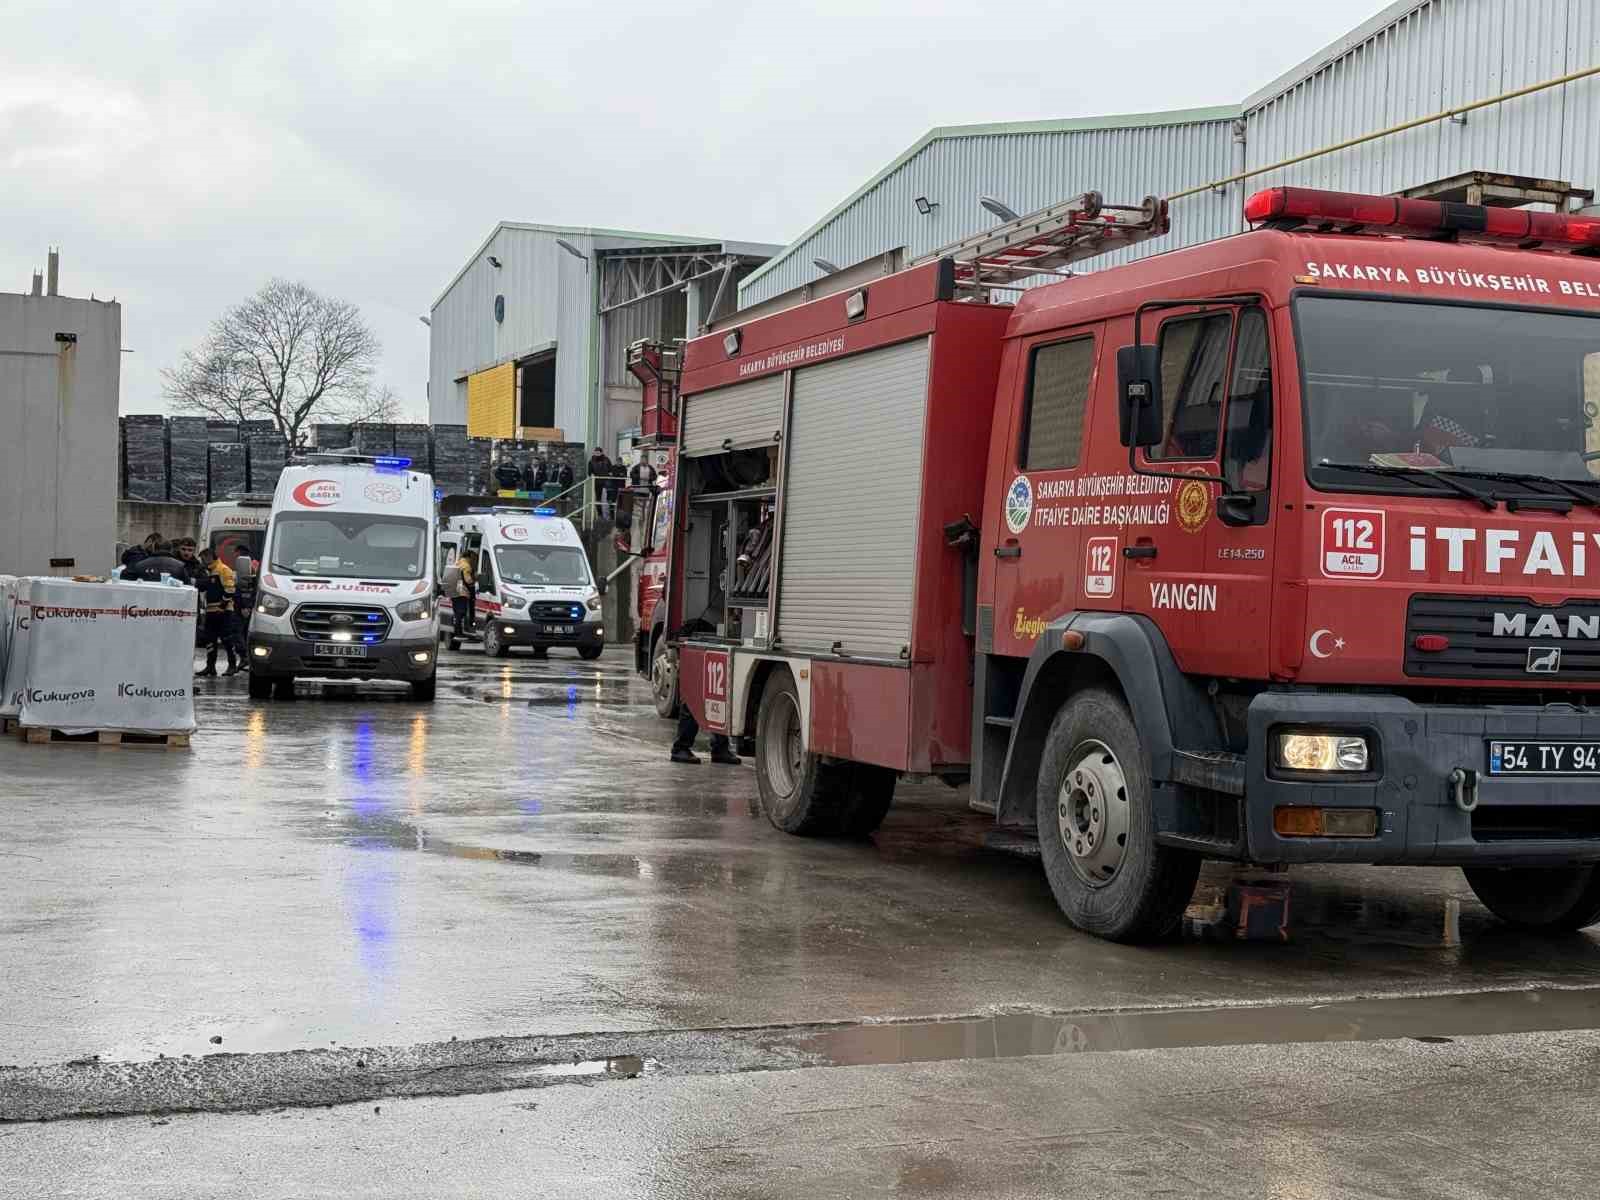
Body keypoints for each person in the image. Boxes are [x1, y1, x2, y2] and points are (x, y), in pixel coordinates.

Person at [196, 547, 241, 676]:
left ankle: (232, 666)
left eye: (203, 558)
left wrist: (222, 606)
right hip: (210, 611)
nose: (202, 561)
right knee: (210, 639)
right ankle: (210, 666)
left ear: (209, 556)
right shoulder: (210, 571)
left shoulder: (223, 569)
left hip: (223, 612)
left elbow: (230, 589)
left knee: (227, 639)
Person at [452, 552, 476, 639]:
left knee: (456, 612)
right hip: (462, 592)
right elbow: (468, 580)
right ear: (468, 557)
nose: (472, 560)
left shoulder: (457, 563)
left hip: (454, 591)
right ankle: (459, 632)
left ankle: (456, 631)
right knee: (461, 612)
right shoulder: (466, 565)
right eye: (472, 558)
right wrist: (474, 582)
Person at [588, 447, 615, 522]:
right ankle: (600, 515)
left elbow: (611, 469)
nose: (597, 454)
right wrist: (592, 475)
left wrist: (610, 474)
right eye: (595, 452)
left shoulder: (606, 459)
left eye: (598, 452)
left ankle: (611, 515)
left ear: (601, 452)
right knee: (598, 498)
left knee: (610, 497)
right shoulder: (591, 461)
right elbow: (589, 472)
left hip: (606, 480)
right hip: (598, 481)